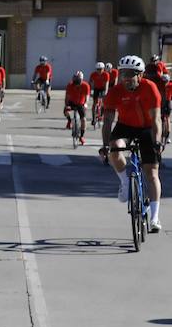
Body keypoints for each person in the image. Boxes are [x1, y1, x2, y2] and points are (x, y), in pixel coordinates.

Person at [102, 56, 163, 231]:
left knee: (152, 173)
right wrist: (106, 145)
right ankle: (125, 182)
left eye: (130, 74)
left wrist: (157, 142)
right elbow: (108, 121)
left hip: (146, 128)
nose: (125, 78)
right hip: (125, 127)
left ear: (141, 75)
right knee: (115, 147)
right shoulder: (115, 91)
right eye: (123, 74)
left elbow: (157, 120)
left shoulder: (150, 88)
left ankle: (155, 217)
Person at [64, 72, 91, 143]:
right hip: (72, 102)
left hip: (81, 104)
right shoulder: (70, 85)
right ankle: (69, 120)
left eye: (78, 80)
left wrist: (86, 103)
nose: (76, 82)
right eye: (75, 79)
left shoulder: (86, 86)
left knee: (84, 120)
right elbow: (67, 97)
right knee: (66, 111)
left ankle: (81, 136)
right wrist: (67, 105)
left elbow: (87, 96)